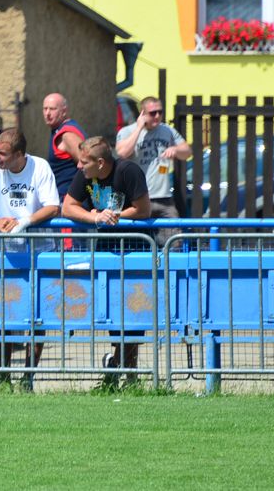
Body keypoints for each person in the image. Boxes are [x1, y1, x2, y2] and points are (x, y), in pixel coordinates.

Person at [0, 128, 61, 388]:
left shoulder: (40, 167)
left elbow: (52, 206)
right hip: (5, 250)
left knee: (38, 315)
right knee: (2, 314)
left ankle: (28, 376)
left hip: (39, 249)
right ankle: (3, 376)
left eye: (3, 154)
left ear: (20, 154)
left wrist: (26, 221)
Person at [62, 136, 151, 386]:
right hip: (105, 250)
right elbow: (67, 207)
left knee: (133, 315)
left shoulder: (128, 171)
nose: (79, 166)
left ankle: (122, 372)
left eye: (84, 162)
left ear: (100, 162)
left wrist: (114, 216)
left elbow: (144, 209)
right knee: (114, 314)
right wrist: (95, 217)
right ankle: (121, 371)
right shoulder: (85, 174)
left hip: (135, 250)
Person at [115, 96, 192, 240]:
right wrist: (139, 128)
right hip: (137, 199)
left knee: (174, 241)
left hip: (163, 198)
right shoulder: (127, 131)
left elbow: (187, 151)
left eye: (160, 112)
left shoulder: (167, 130)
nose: (157, 116)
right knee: (137, 242)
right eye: (152, 113)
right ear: (142, 113)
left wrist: (175, 149)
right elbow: (122, 153)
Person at [42, 93, 87, 200]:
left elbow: (86, 164)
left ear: (64, 111)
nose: (47, 113)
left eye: (52, 109)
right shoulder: (58, 130)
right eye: (45, 109)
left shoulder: (67, 134)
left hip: (68, 200)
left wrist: (74, 198)